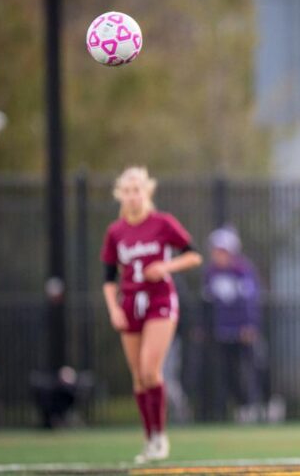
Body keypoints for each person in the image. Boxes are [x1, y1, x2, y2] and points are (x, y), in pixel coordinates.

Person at [100, 167, 202, 463]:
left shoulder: (162, 223)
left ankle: (160, 436)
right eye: (128, 191)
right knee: (138, 378)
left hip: (160, 301)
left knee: (149, 370)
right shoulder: (115, 232)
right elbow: (108, 278)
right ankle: (149, 438)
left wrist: (164, 268)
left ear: (147, 192)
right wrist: (114, 308)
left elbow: (193, 255)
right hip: (130, 303)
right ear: (121, 195)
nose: (133, 196)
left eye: (138, 190)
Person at [201, 226, 264, 423]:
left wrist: (250, 325)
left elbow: (251, 301)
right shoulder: (210, 273)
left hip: (242, 331)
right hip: (221, 331)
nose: (216, 254)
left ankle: (252, 407)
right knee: (224, 372)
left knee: (246, 370)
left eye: (221, 250)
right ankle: (227, 409)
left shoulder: (243, 271)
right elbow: (207, 303)